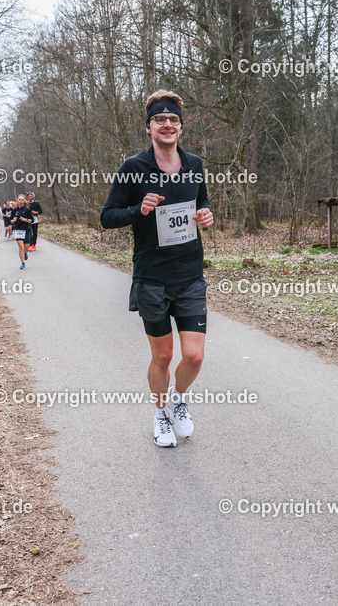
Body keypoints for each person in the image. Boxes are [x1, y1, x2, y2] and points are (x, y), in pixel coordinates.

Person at [101, 90, 213, 448]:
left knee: (194, 355)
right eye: (161, 120)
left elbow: (202, 201)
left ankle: (178, 400)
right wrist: (139, 211)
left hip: (190, 273)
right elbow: (107, 217)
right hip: (152, 277)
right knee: (162, 356)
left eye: (174, 120)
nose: (168, 125)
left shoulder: (194, 164)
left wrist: (206, 215)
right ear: (149, 127)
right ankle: (161, 412)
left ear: (181, 127)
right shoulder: (134, 168)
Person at [9, 194, 33, 269]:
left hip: (26, 230)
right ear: (17, 200)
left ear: (24, 201)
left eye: (22, 200)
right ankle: (22, 263)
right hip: (18, 230)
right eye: (19, 199)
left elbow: (31, 220)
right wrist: (13, 220)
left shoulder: (27, 210)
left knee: (26, 246)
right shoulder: (14, 210)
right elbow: (11, 221)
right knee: (21, 246)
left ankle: (25, 253)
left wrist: (25, 219)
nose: (21, 201)